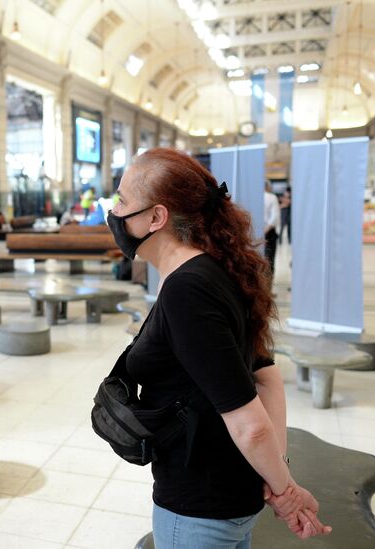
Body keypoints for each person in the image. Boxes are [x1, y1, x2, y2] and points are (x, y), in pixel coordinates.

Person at [106, 148, 330, 547]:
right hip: (232, 495)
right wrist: (277, 474)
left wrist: (286, 493)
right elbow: (267, 379)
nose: (115, 212)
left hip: (199, 507)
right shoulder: (216, 270)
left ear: (156, 217)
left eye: (123, 201)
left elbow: (251, 425)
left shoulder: (187, 291)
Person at [264, 180, 281, 282]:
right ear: (268, 187)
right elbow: (275, 217)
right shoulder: (272, 197)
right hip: (269, 233)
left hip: (254, 232)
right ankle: (268, 290)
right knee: (269, 261)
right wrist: (266, 230)